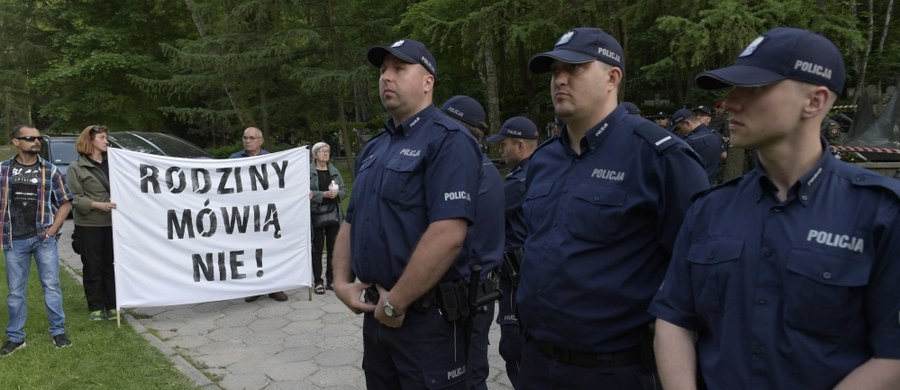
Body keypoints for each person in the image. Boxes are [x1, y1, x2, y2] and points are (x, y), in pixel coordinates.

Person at [650, 27, 900, 389]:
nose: (730, 102)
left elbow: (893, 354)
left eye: (754, 89)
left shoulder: (880, 213)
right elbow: (674, 318)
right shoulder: (709, 210)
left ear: (814, 101)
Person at [517, 27, 709, 389]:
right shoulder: (544, 160)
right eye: (555, 71)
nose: (559, 80)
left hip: (614, 370)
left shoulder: (659, 157)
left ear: (612, 77)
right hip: (537, 364)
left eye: (573, 69)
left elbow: (696, 272)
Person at [331, 38, 482, 389]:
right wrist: (340, 283)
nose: (386, 77)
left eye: (399, 69)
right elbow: (351, 221)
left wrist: (395, 304)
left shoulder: (449, 140)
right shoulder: (375, 148)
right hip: (378, 318)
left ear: (428, 82)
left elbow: (448, 234)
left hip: (427, 322)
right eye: (383, 70)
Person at [440, 95, 505, 390]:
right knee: (474, 368)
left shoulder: (465, 169)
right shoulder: (485, 166)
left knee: (461, 373)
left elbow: (449, 237)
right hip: (481, 285)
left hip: (464, 289)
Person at [0, 125, 74, 356]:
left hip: (43, 239)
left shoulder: (50, 170)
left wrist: (52, 230)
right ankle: (15, 337)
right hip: (14, 240)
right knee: (15, 291)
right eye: (30, 138)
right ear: (16, 141)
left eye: (38, 138)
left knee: (51, 286)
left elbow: (66, 201)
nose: (36, 141)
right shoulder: (3, 170)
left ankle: (58, 332)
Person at [484, 115, 540, 389]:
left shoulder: (522, 180)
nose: (500, 149)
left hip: (519, 274)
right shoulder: (535, 171)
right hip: (518, 272)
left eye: (504, 144)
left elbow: (488, 211)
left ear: (520, 146)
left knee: (513, 345)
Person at [67, 125, 118, 321]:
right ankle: (96, 306)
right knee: (92, 265)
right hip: (89, 225)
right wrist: (97, 205)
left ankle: (112, 304)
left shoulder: (114, 163)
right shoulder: (75, 168)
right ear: (90, 141)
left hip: (112, 223)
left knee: (110, 265)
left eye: (106, 137)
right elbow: (75, 198)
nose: (106, 141)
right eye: (102, 138)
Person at [231, 127, 287, 302]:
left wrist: (303, 191)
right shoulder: (233, 160)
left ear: (261, 141)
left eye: (252, 138)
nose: (248, 141)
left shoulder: (271, 160)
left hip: (266, 214)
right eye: (245, 138)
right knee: (249, 251)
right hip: (245, 214)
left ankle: (274, 286)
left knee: (270, 249)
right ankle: (254, 287)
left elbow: (285, 183)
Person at [309, 141, 346, 294]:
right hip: (316, 214)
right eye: (322, 151)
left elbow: (344, 190)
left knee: (333, 248)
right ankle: (318, 281)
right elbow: (305, 191)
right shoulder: (308, 172)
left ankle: (331, 280)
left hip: (333, 214)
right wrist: (322, 195)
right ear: (315, 154)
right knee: (317, 248)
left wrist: (337, 194)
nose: (325, 153)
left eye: (327, 151)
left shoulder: (334, 171)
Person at [670, 108, 726, 185]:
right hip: (710, 184)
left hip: (694, 187)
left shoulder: (689, 142)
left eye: (678, 128)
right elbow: (722, 155)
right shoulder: (715, 134)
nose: (678, 132)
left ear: (687, 123)